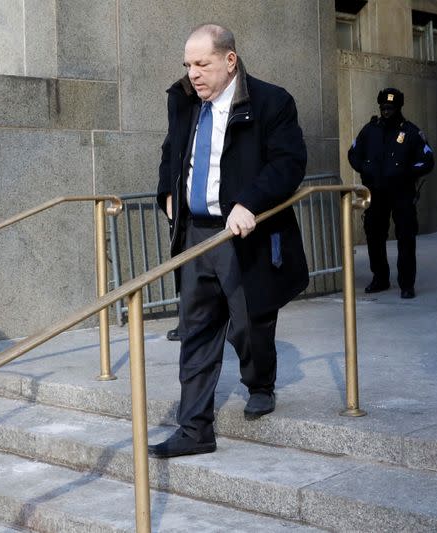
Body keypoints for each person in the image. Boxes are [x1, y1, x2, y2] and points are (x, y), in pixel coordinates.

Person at [151, 24, 308, 458]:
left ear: (230, 60)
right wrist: (167, 191)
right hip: (195, 234)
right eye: (188, 64)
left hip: (242, 232)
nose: (193, 74)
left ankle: (260, 382)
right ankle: (195, 429)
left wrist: (250, 202)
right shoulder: (183, 100)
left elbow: (289, 163)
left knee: (248, 322)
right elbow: (171, 151)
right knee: (197, 331)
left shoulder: (271, 102)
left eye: (202, 64)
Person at [348, 88, 434, 299]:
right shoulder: (370, 130)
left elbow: (427, 159)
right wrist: (365, 169)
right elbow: (353, 153)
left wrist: (407, 173)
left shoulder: (411, 132)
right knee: (374, 235)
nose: (386, 112)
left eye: (391, 108)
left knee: (405, 236)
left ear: (399, 108)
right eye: (384, 108)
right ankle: (380, 278)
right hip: (376, 193)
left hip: (401, 194)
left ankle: (406, 283)